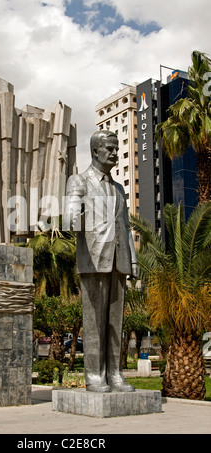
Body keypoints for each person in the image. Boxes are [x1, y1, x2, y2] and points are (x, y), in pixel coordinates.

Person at [64, 130, 139, 392]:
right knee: (94, 323)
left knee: (115, 322)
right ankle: (95, 376)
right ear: (95, 151)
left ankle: (115, 374)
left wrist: (134, 261)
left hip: (119, 261)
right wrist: (75, 214)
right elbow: (70, 219)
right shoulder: (79, 182)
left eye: (117, 149)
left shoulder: (118, 188)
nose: (115, 153)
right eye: (110, 149)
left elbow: (126, 226)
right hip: (93, 261)